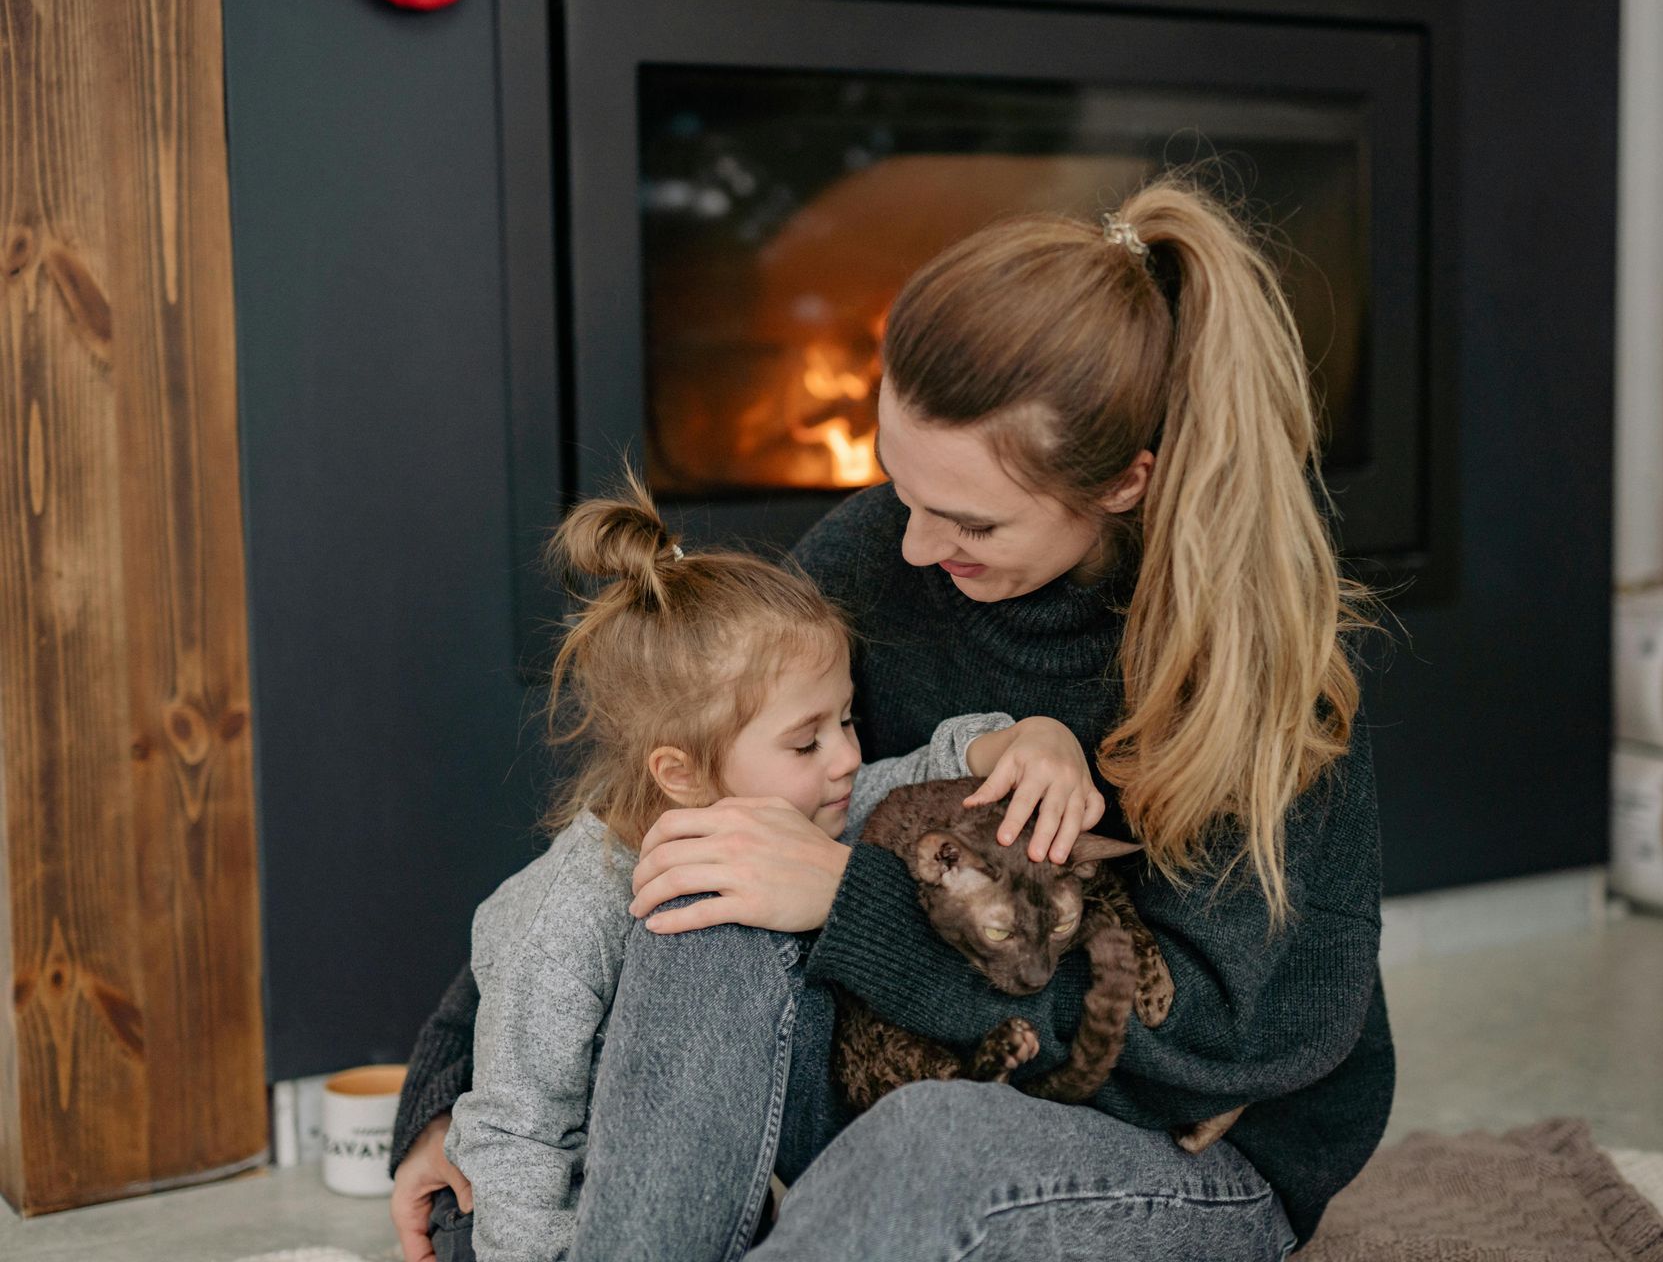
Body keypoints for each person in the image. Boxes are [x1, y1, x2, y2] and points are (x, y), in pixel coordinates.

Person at [390, 171, 1394, 1262]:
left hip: (1187, 1152)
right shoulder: (881, 555)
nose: (913, 546)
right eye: (898, 490)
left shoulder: (1260, 666)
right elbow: (646, 813)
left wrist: (855, 900)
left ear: (1124, 483)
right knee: (706, 882)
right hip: (909, 1054)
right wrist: (456, 1091)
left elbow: (1222, 1044)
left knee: (928, 1146)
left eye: (966, 520)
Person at [431, 474, 1106, 1262]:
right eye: (807, 741)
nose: (849, 757)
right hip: (563, 1225)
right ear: (679, 773)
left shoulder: (811, 806)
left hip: (734, 1199)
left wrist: (1022, 741)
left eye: (848, 719)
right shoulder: (562, 916)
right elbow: (517, 1131)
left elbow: (915, 779)